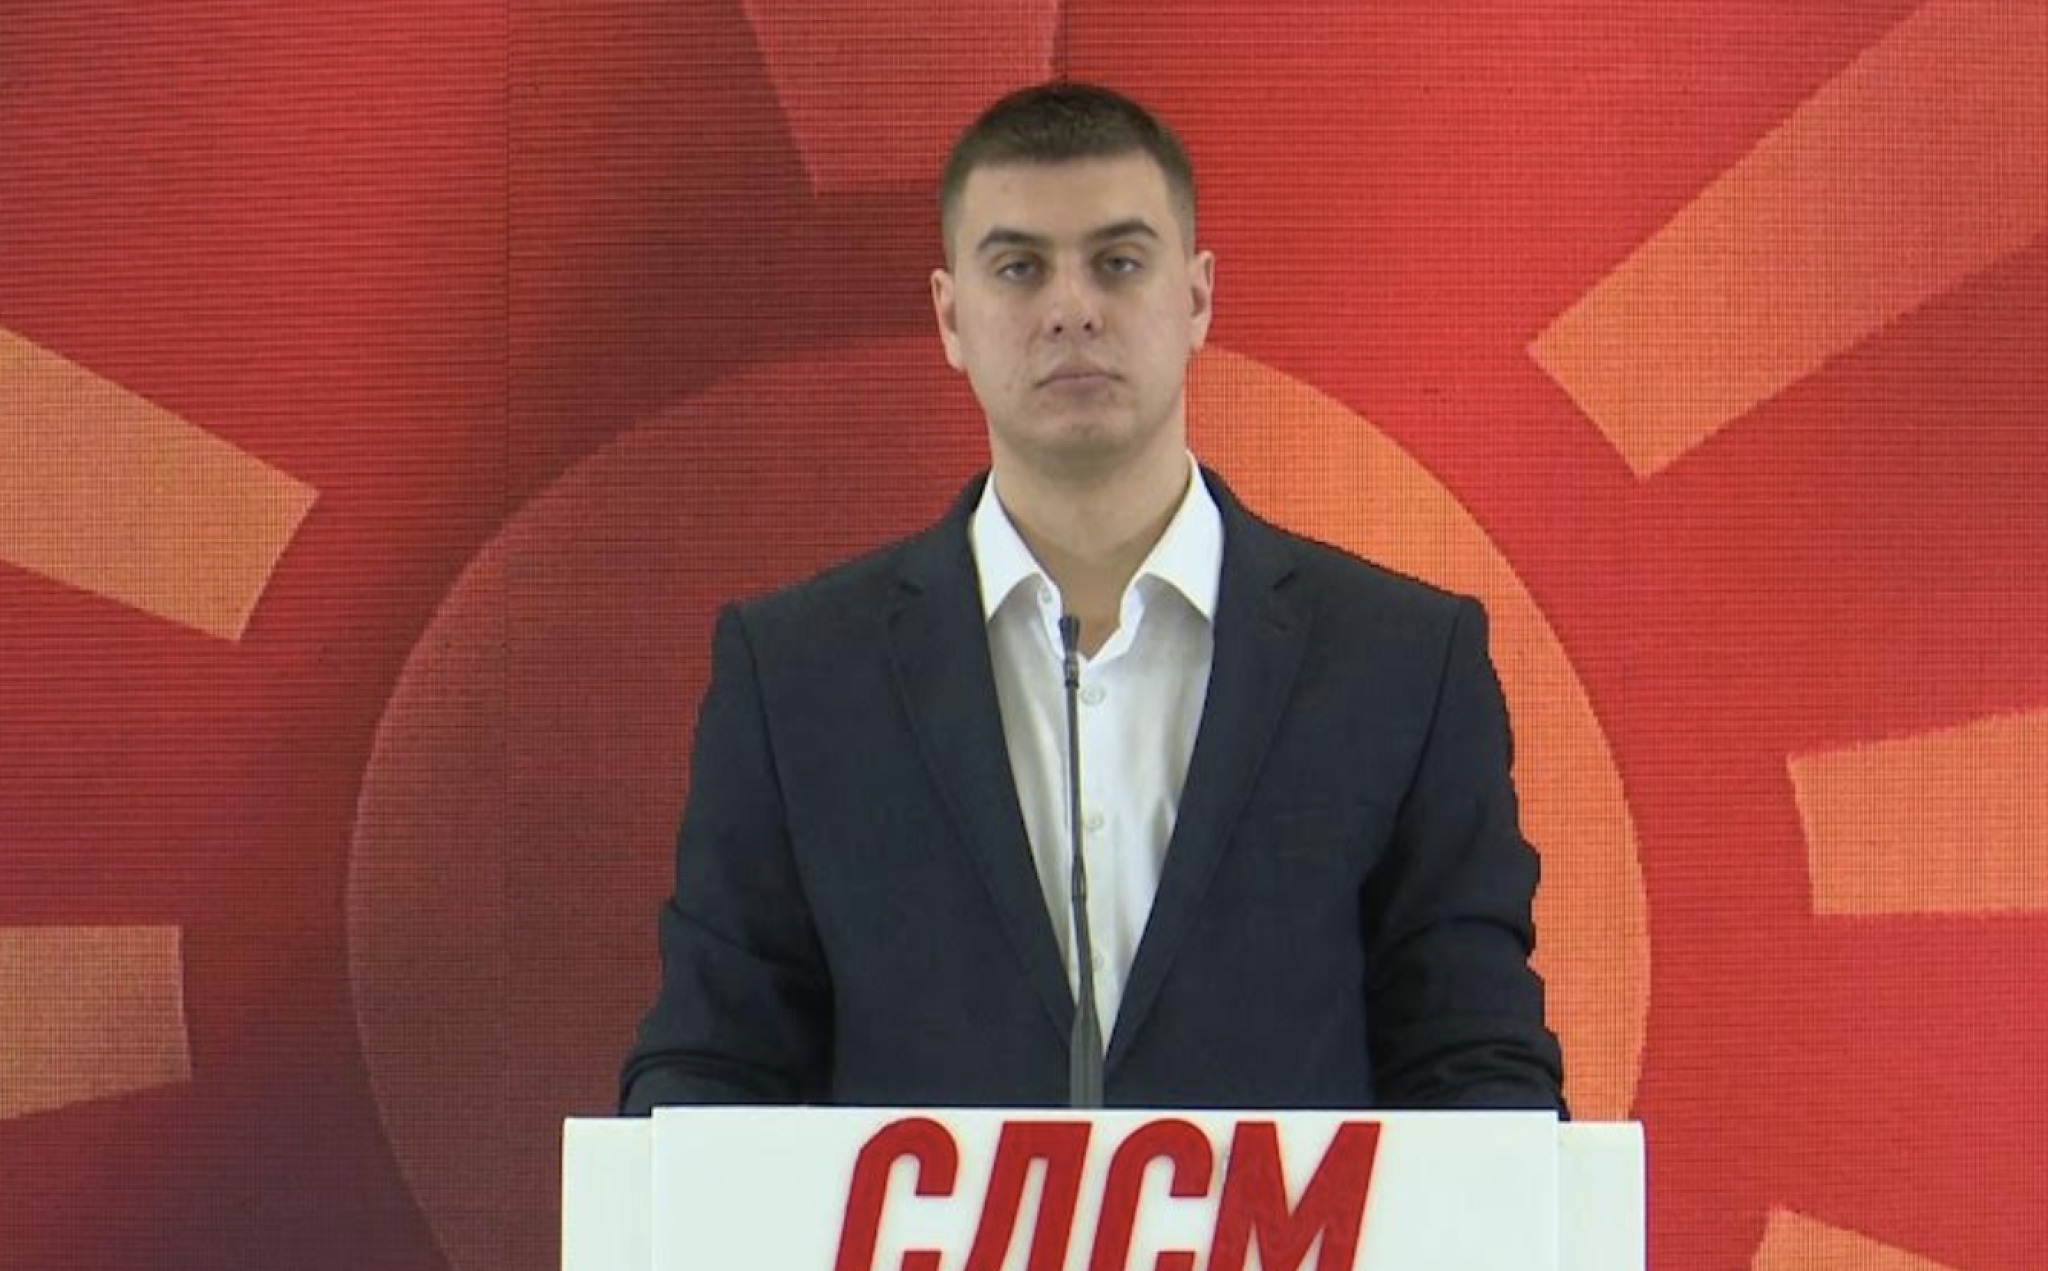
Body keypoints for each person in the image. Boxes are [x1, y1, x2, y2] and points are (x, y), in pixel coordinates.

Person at [620, 82, 1564, 1111]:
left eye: (1118, 262)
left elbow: (1476, 1065)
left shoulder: (1401, 664)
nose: (1071, 307)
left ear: (1196, 297)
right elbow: (714, 1066)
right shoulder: (797, 675)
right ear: (950, 316)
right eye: (1019, 267)